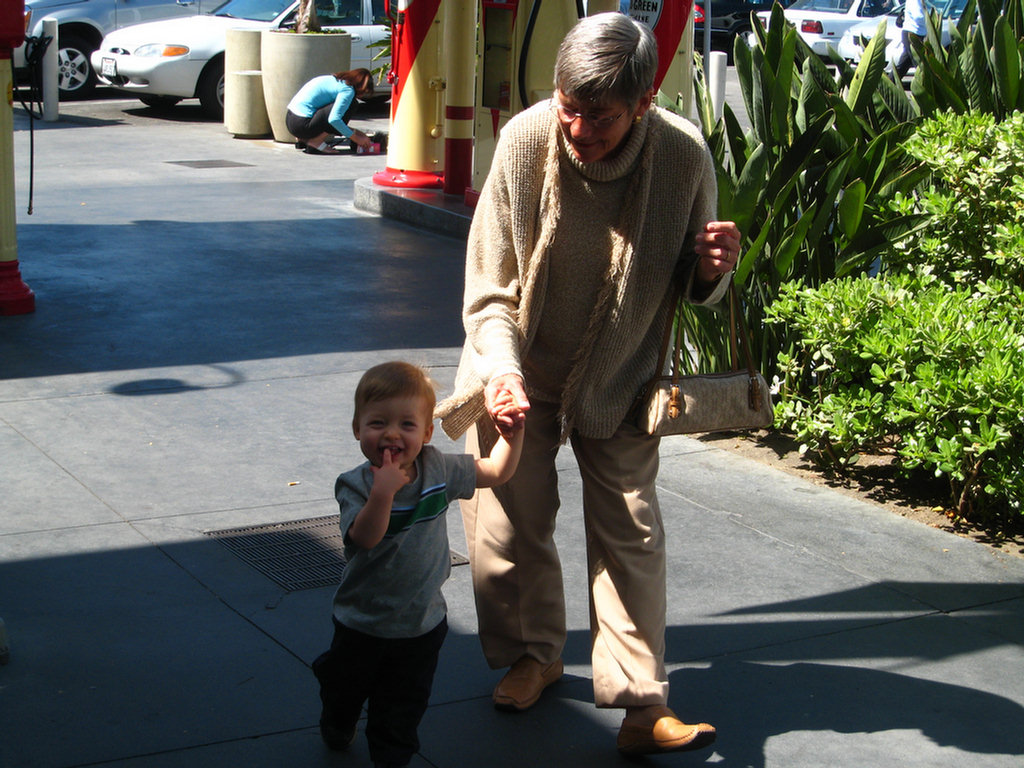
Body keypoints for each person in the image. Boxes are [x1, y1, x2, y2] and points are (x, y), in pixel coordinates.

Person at [435, 12, 741, 756]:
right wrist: (503, 374)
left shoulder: (681, 154)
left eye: (598, 116)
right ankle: (532, 656)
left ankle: (641, 703)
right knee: (506, 522)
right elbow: (489, 291)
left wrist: (711, 269)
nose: (578, 128)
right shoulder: (525, 139)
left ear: (643, 102)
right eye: (569, 107)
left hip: (622, 369)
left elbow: (692, 287)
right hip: (516, 362)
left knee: (631, 531)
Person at [312, 361, 524, 768]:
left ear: (427, 433)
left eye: (407, 425)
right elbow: (365, 538)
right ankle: (337, 715)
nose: (391, 433)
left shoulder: (437, 469)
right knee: (345, 688)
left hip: (420, 625)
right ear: (357, 428)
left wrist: (512, 436)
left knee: (401, 708)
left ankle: (391, 757)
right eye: (378, 423)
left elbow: (496, 471)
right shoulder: (355, 484)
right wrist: (383, 494)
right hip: (361, 622)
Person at [285, 68, 375, 154]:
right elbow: (334, 120)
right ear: (362, 87)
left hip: (291, 120)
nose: (362, 96)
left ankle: (303, 139)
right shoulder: (348, 90)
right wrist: (356, 138)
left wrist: (358, 133)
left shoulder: (335, 80)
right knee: (351, 104)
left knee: (338, 111)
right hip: (302, 125)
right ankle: (316, 141)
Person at [896, 0, 928, 78]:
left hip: (917, 34)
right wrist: (929, 17)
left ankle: (890, 83)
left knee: (903, 65)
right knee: (919, 65)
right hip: (912, 34)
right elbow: (918, 17)